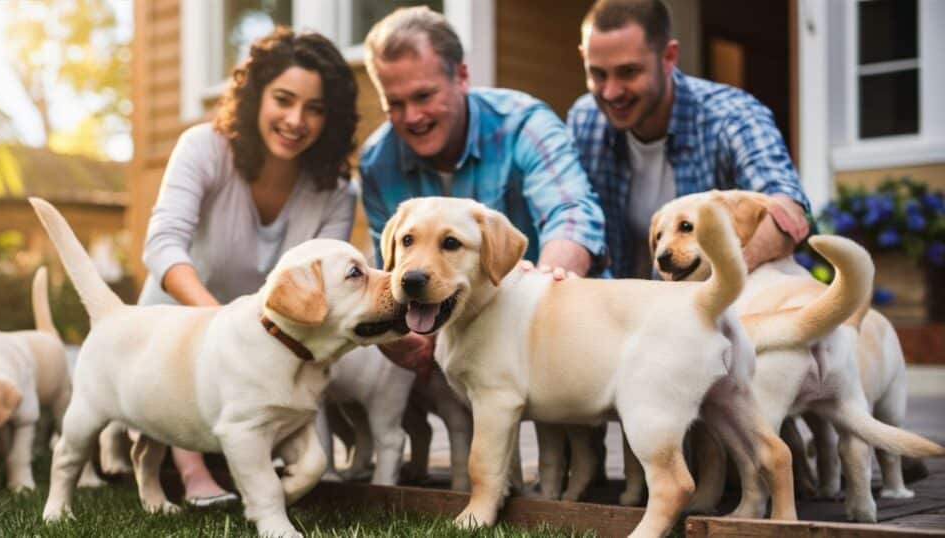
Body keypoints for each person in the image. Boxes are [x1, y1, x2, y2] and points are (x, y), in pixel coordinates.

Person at [136, 28, 359, 506]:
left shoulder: (336, 191)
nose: (296, 120)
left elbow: (327, 301)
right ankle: (193, 470)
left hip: (273, 339)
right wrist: (216, 322)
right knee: (194, 350)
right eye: (283, 99)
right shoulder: (203, 148)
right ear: (256, 94)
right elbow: (161, 246)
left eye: (315, 109)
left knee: (311, 466)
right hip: (182, 322)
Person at [358, 6, 607, 371]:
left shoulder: (524, 123)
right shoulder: (377, 161)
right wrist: (396, 334)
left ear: (461, 77)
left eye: (424, 96)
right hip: (454, 339)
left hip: (548, 321)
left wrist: (541, 295)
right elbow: (392, 265)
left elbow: (571, 214)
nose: (412, 116)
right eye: (395, 104)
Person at [568, 0, 811, 280]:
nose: (611, 92)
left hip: (729, 308)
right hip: (633, 308)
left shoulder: (732, 116)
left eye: (628, 72)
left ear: (669, 57)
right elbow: (573, 220)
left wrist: (727, 280)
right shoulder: (585, 120)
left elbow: (786, 210)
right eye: (598, 74)